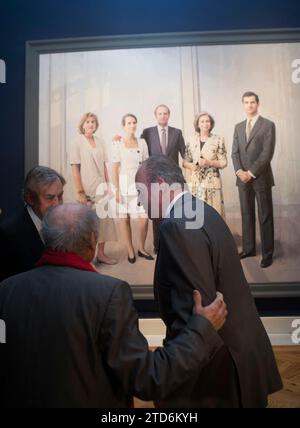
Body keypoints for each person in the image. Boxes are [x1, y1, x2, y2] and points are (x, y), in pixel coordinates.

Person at [0, 203, 228, 408]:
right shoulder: (107, 294)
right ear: (92, 241)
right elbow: (147, 379)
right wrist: (201, 329)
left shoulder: (5, 291)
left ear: (45, 238)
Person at [136, 155, 282, 408]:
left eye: (140, 191)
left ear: (159, 185)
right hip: (241, 354)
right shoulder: (202, 210)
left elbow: (199, 313)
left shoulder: (176, 226)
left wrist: (173, 383)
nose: (138, 201)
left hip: (218, 374)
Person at [232, 92, 275, 268]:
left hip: (261, 177)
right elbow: (234, 152)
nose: (249, 105)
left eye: (252, 102)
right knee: (246, 214)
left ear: (258, 104)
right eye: (246, 102)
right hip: (242, 178)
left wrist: (251, 172)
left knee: (265, 215)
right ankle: (249, 248)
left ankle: (267, 253)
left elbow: (267, 153)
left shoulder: (268, 125)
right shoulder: (239, 126)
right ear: (243, 105)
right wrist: (239, 172)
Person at [0, 166, 65, 282]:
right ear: (30, 198)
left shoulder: (64, 224)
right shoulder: (9, 233)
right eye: (50, 198)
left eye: (60, 196)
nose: (57, 204)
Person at [70, 112, 117, 265]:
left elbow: (104, 166)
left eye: (93, 122)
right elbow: (75, 169)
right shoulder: (76, 142)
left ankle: (101, 255)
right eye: (88, 121)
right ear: (82, 125)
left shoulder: (101, 142)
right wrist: (80, 192)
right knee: (87, 224)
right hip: (87, 188)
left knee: (104, 222)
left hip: (101, 187)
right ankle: (84, 257)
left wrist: (108, 185)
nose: (90, 124)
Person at [141, 104, 186, 253]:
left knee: (175, 212)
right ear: (156, 115)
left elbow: (186, 154)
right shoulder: (147, 133)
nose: (163, 116)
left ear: (169, 115)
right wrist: (120, 139)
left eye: (165, 113)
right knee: (157, 213)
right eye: (160, 113)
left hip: (173, 179)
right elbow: (136, 147)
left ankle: (175, 244)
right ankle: (158, 246)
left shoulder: (177, 133)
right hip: (155, 178)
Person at [111, 114, 153, 263]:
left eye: (134, 122)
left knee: (144, 218)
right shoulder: (118, 143)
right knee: (125, 218)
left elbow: (147, 165)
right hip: (123, 185)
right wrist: (116, 190)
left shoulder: (142, 142)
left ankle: (141, 248)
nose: (132, 125)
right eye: (129, 123)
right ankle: (130, 250)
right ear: (124, 126)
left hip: (140, 184)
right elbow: (114, 168)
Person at [183, 112, 227, 219]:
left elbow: (223, 162)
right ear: (198, 124)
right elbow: (184, 162)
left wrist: (210, 163)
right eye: (202, 121)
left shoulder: (218, 139)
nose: (205, 124)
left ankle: (216, 236)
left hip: (213, 184)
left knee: (214, 214)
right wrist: (191, 166)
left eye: (207, 121)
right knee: (198, 215)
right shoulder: (191, 139)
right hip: (196, 183)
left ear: (211, 124)